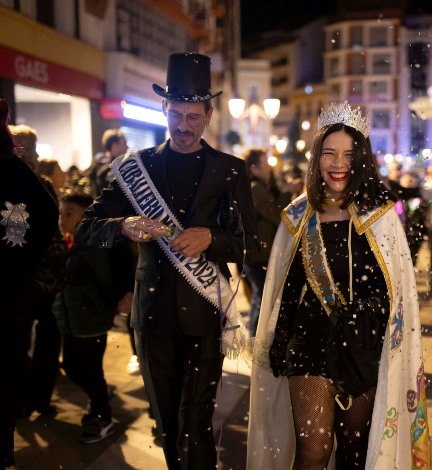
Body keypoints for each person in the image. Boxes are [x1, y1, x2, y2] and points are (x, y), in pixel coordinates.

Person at [75, 53, 259, 470]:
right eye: (176, 115)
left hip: (204, 311)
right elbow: (86, 228)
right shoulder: (134, 169)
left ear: (209, 115)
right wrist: (123, 225)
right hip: (152, 316)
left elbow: (252, 243)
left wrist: (212, 237)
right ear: (163, 109)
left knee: (194, 421)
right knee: (166, 423)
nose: (183, 126)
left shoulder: (230, 171)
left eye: (193, 117)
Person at [247, 102, 431, 469]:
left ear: (361, 159)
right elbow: (288, 285)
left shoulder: (380, 216)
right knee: (313, 452)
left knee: (354, 453)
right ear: (317, 159)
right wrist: (278, 343)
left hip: (364, 345)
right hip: (311, 341)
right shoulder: (299, 215)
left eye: (348, 154)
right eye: (329, 153)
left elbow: (397, 295)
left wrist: (363, 314)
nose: (338, 163)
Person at [0, 98, 61, 468]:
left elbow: (22, 228)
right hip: (15, 291)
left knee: (10, 367)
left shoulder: (19, 180)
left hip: (12, 295)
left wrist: (13, 266)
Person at [53, 190, 133, 443]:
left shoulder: (91, 247)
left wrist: (120, 299)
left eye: (69, 213)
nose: (62, 219)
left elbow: (109, 277)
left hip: (91, 320)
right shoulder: (65, 243)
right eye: (61, 213)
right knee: (72, 367)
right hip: (70, 320)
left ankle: (102, 416)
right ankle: (98, 397)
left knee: (90, 370)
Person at [242, 147, 292, 339]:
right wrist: (287, 193)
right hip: (257, 254)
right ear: (254, 168)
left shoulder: (260, 188)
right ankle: (254, 338)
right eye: (265, 163)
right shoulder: (255, 190)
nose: (269, 168)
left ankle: (255, 337)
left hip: (259, 252)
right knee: (261, 297)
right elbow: (277, 214)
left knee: (261, 296)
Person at [87, 129, 128, 197]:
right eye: (124, 143)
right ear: (115, 145)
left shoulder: (96, 162)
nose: (127, 146)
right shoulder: (113, 167)